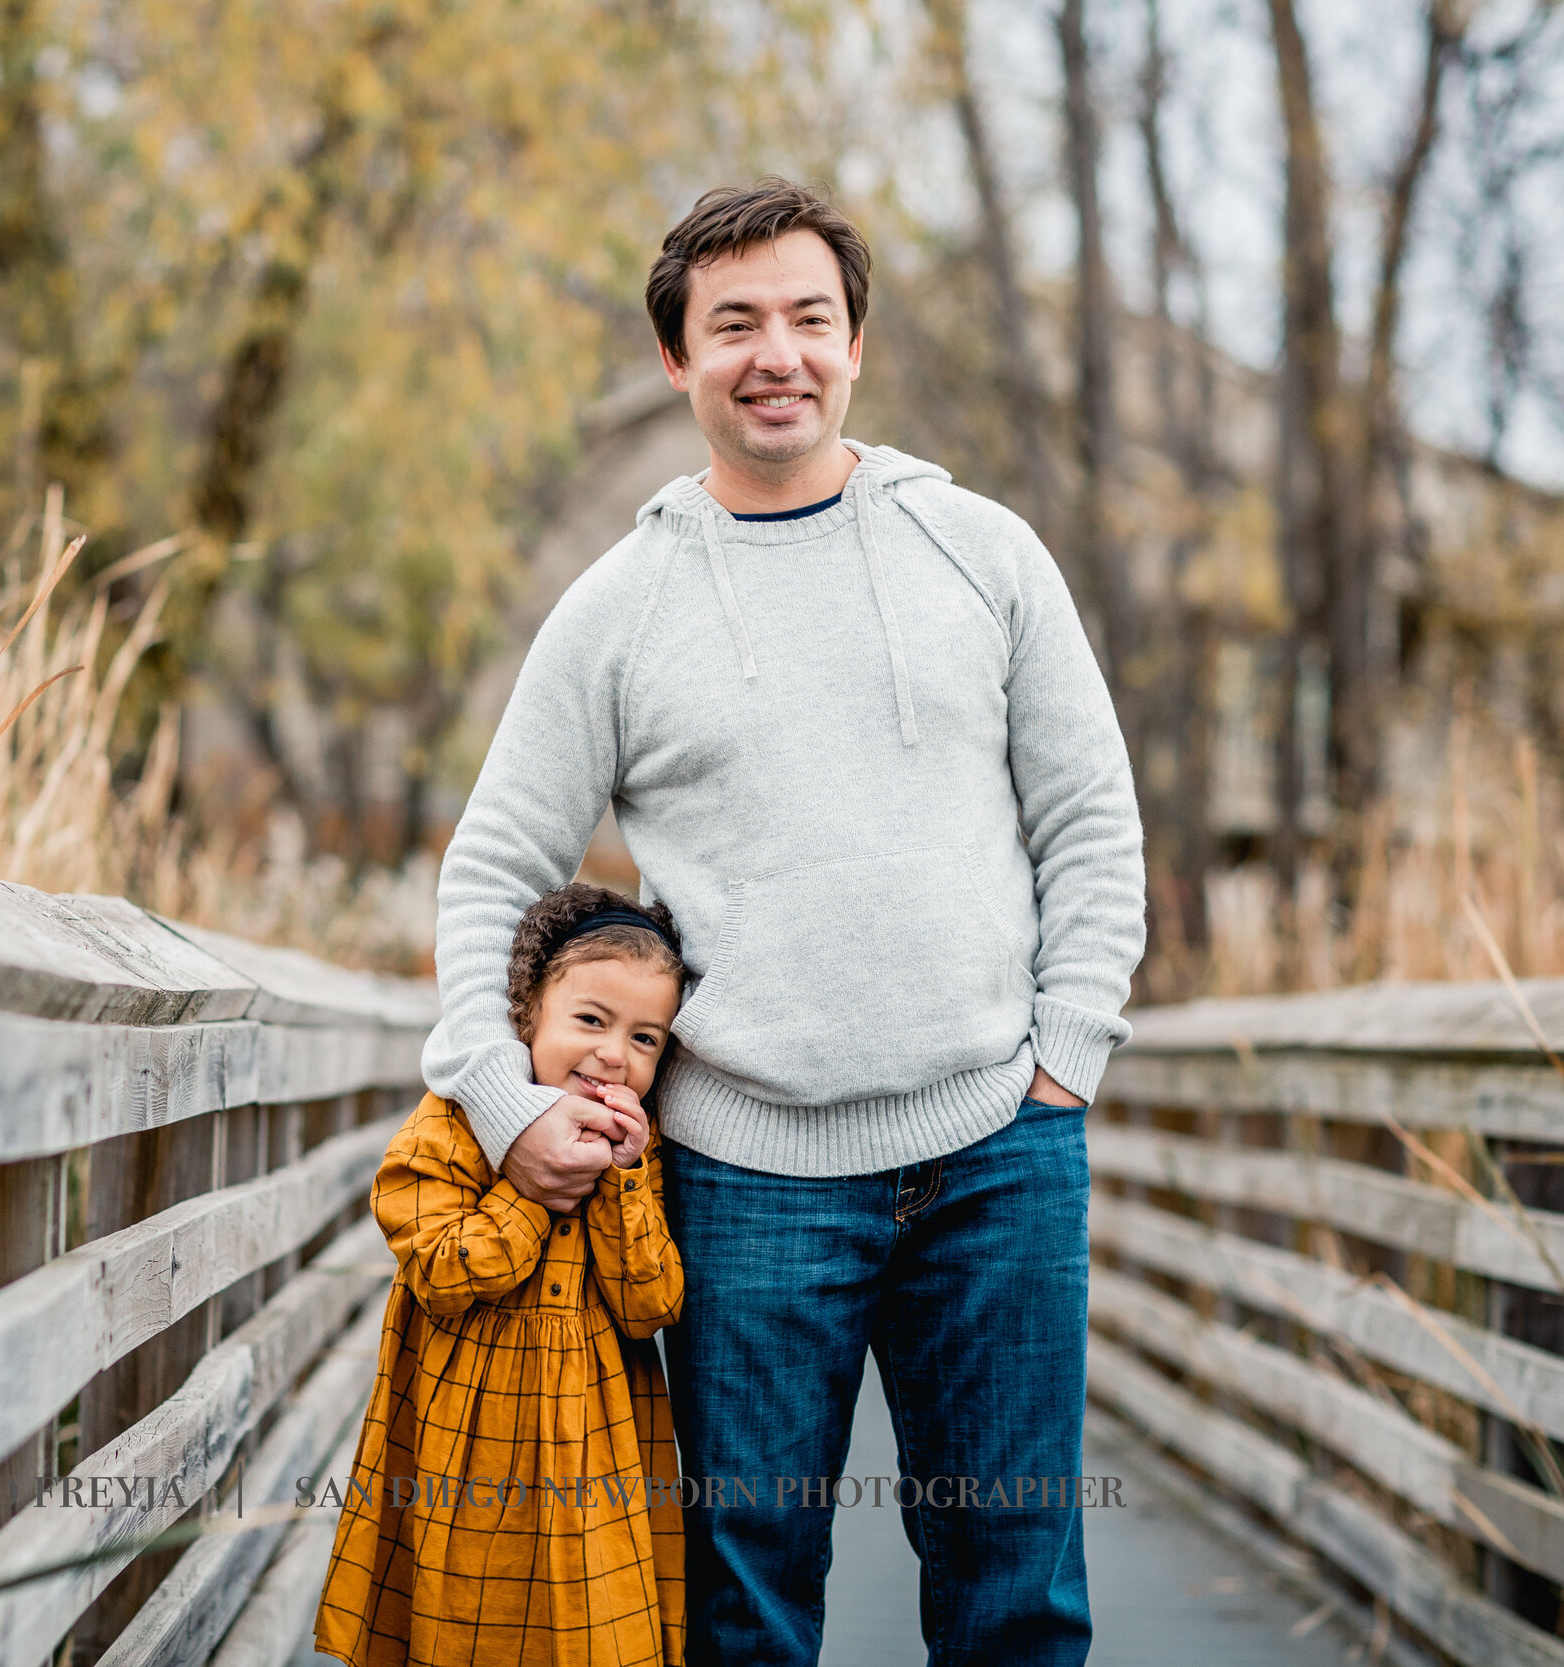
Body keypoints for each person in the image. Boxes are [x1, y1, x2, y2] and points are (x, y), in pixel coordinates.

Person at [420, 179, 1146, 1665]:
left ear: (856, 341)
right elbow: (494, 863)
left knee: (1018, 1586)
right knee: (745, 1595)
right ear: (679, 361)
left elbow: (1092, 822)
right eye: (733, 323)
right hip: (746, 1174)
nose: (778, 354)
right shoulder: (620, 606)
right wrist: (501, 1100)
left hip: (998, 1151)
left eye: (810, 318)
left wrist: (1066, 1053)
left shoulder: (985, 553)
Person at [315, 884, 689, 1667]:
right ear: (526, 1012)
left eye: (646, 1038)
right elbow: (440, 1270)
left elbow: (650, 1304)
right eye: (591, 1019)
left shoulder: (641, 1157)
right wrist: (528, 1192)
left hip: (590, 1448)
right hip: (468, 1443)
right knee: (467, 1616)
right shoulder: (452, 1122)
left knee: (594, 1630)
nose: (615, 1054)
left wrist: (620, 1181)